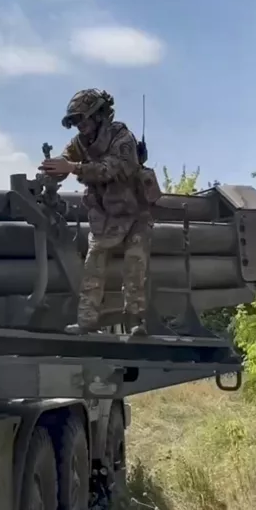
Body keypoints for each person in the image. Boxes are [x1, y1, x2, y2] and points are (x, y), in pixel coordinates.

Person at [39, 88, 153, 336]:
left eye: (83, 119)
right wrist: (53, 169)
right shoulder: (80, 143)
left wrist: (72, 167)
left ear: (99, 115)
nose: (79, 126)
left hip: (134, 213)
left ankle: (135, 322)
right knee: (93, 268)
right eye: (76, 121)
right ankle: (87, 321)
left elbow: (110, 169)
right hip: (104, 215)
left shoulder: (122, 138)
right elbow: (66, 158)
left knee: (135, 267)